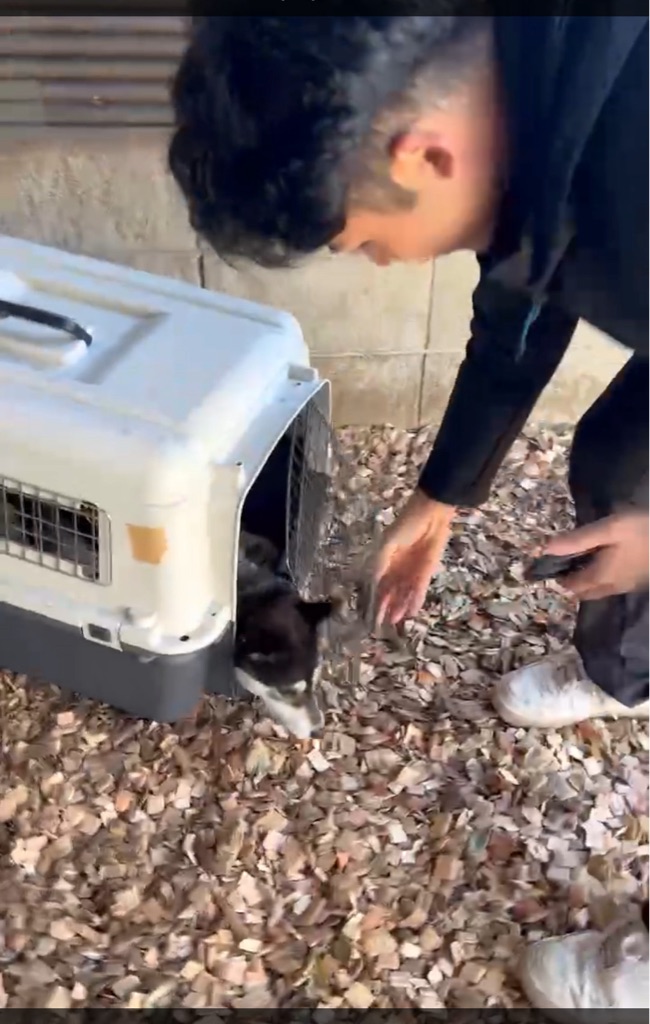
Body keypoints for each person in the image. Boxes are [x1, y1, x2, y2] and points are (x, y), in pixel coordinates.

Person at [168, 12, 649, 1011]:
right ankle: (629, 663)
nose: (381, 263)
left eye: (365, 244)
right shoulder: (543, 84)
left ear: (423, 155)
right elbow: (524, 292)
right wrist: (440, 498)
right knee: (623, 462)